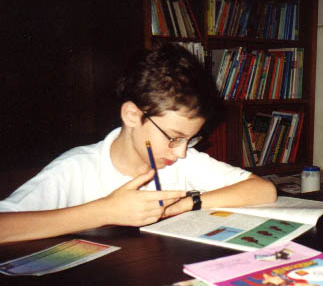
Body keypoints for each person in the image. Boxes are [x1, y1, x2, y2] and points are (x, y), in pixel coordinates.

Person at [0, 43, 276, 244]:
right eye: (174, 137)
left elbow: (263, 191)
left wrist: (185, 205)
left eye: (190, 139)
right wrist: (105, 211)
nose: (181, 152)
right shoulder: (77, 168)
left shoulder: (183, 159)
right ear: (132, 115)